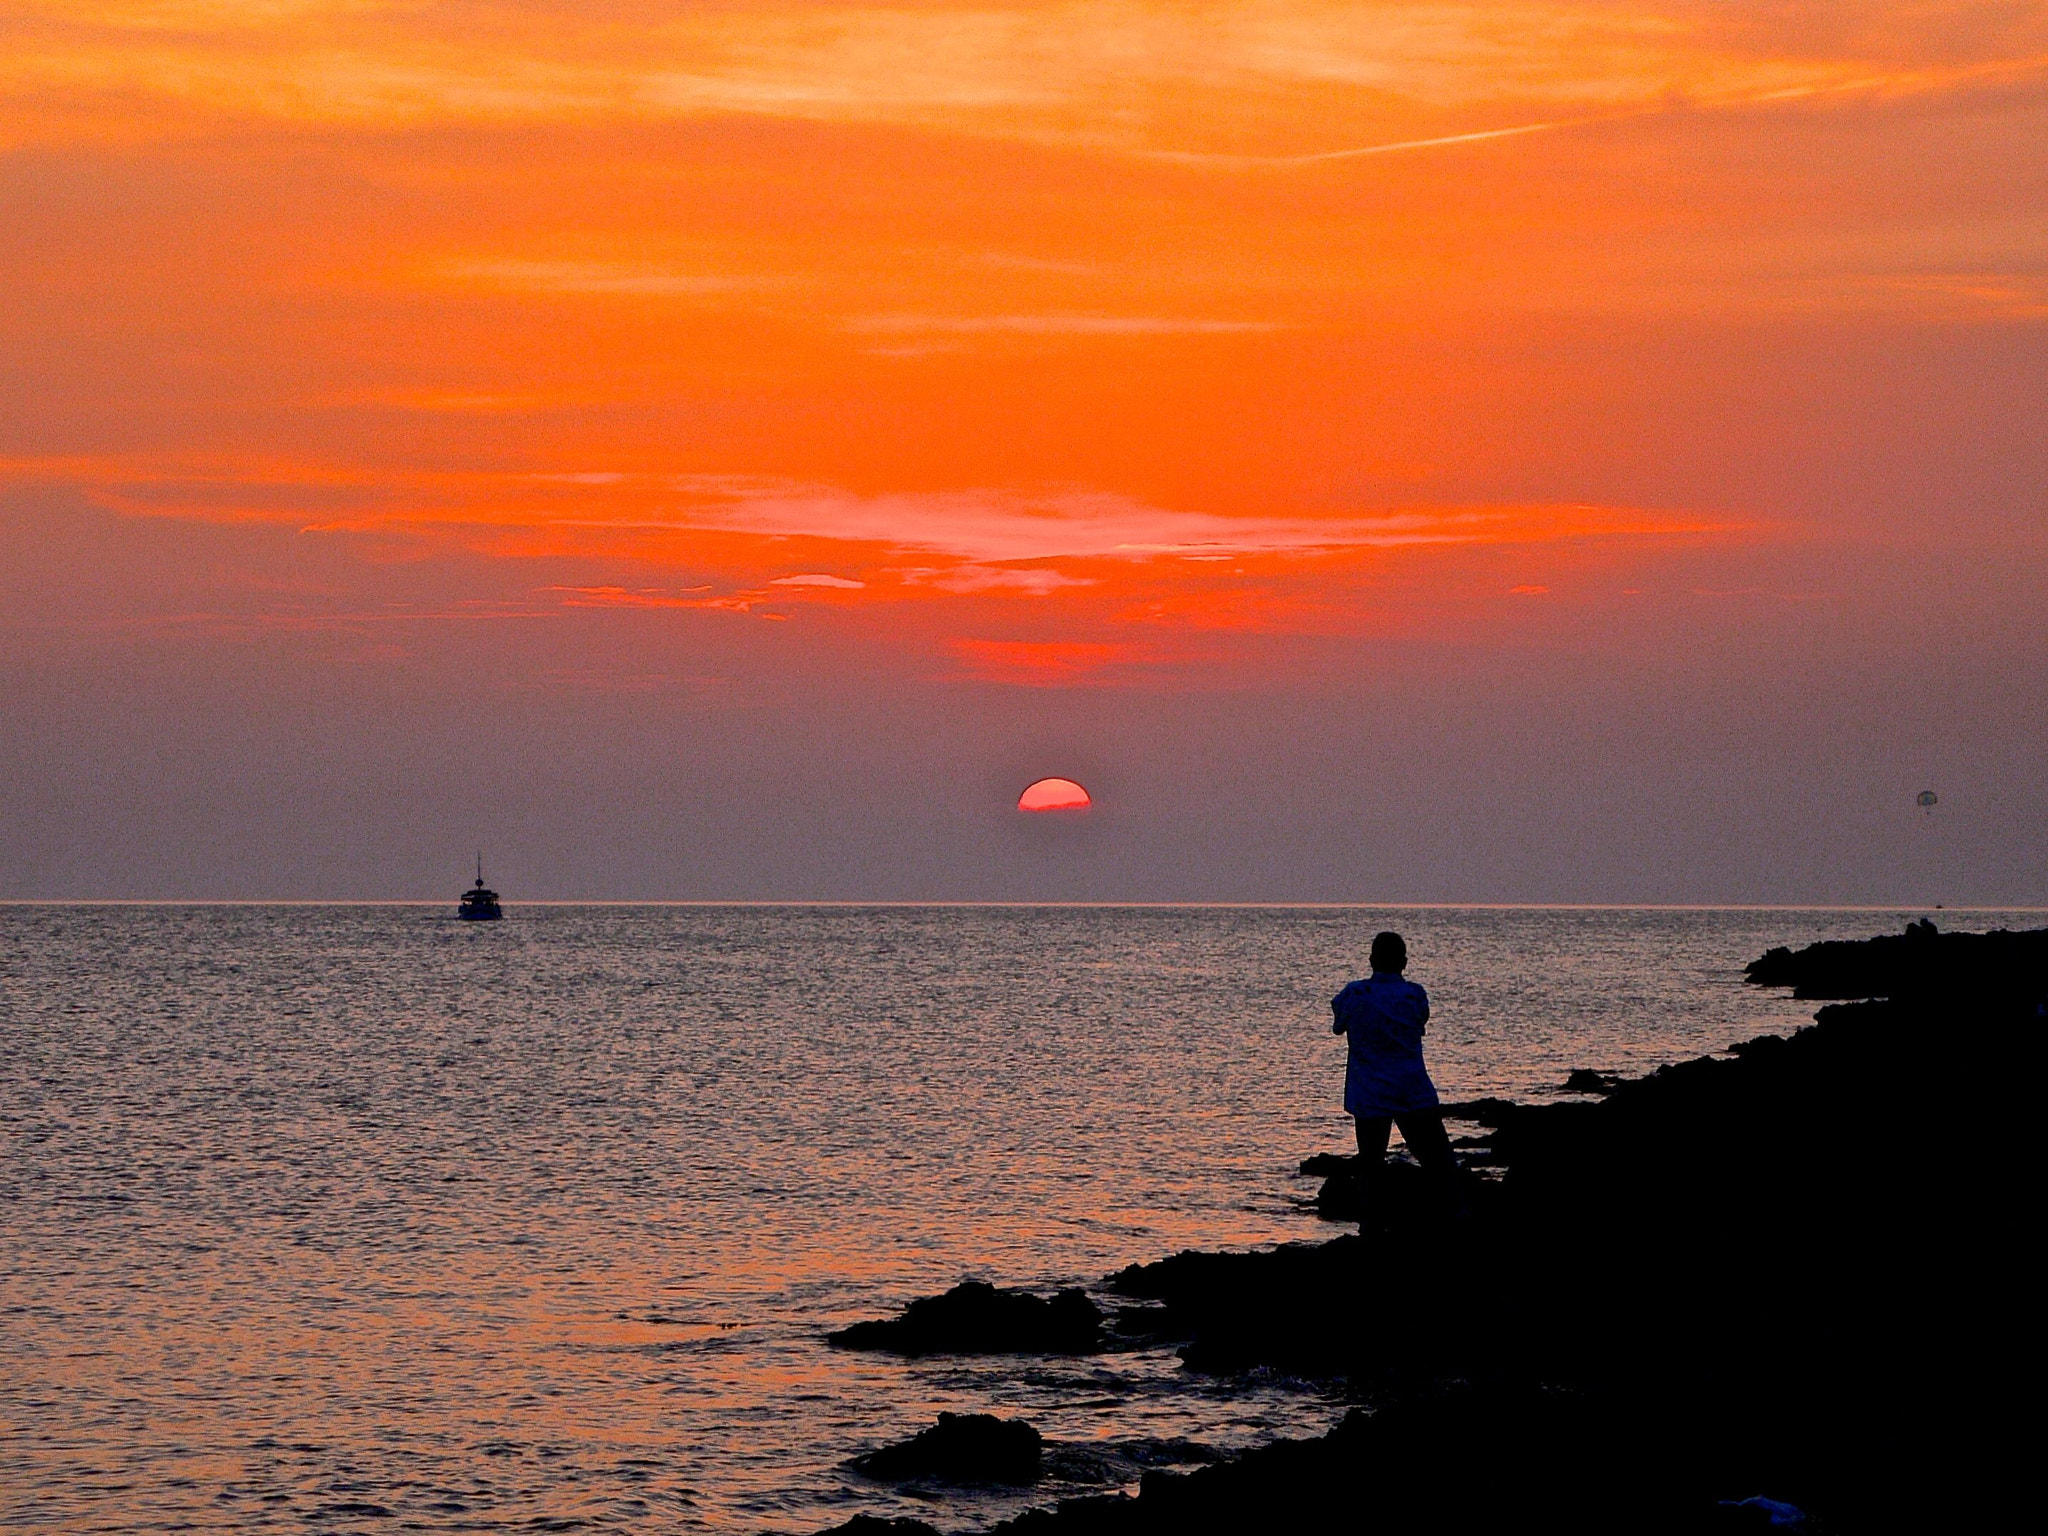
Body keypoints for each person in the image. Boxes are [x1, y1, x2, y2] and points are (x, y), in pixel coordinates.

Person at [1331, 931, 1466, 1218]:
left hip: (1369, 1092)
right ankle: (1454, 1218)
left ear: (1371, 960)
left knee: (1370, 1165)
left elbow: (1338, 1024)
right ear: (1404, 962)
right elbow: (1421, 1021)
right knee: (1439, 1162)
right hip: (1412, 1088)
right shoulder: (1414, 995)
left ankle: (1370, 1227)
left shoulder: (1354, 994)